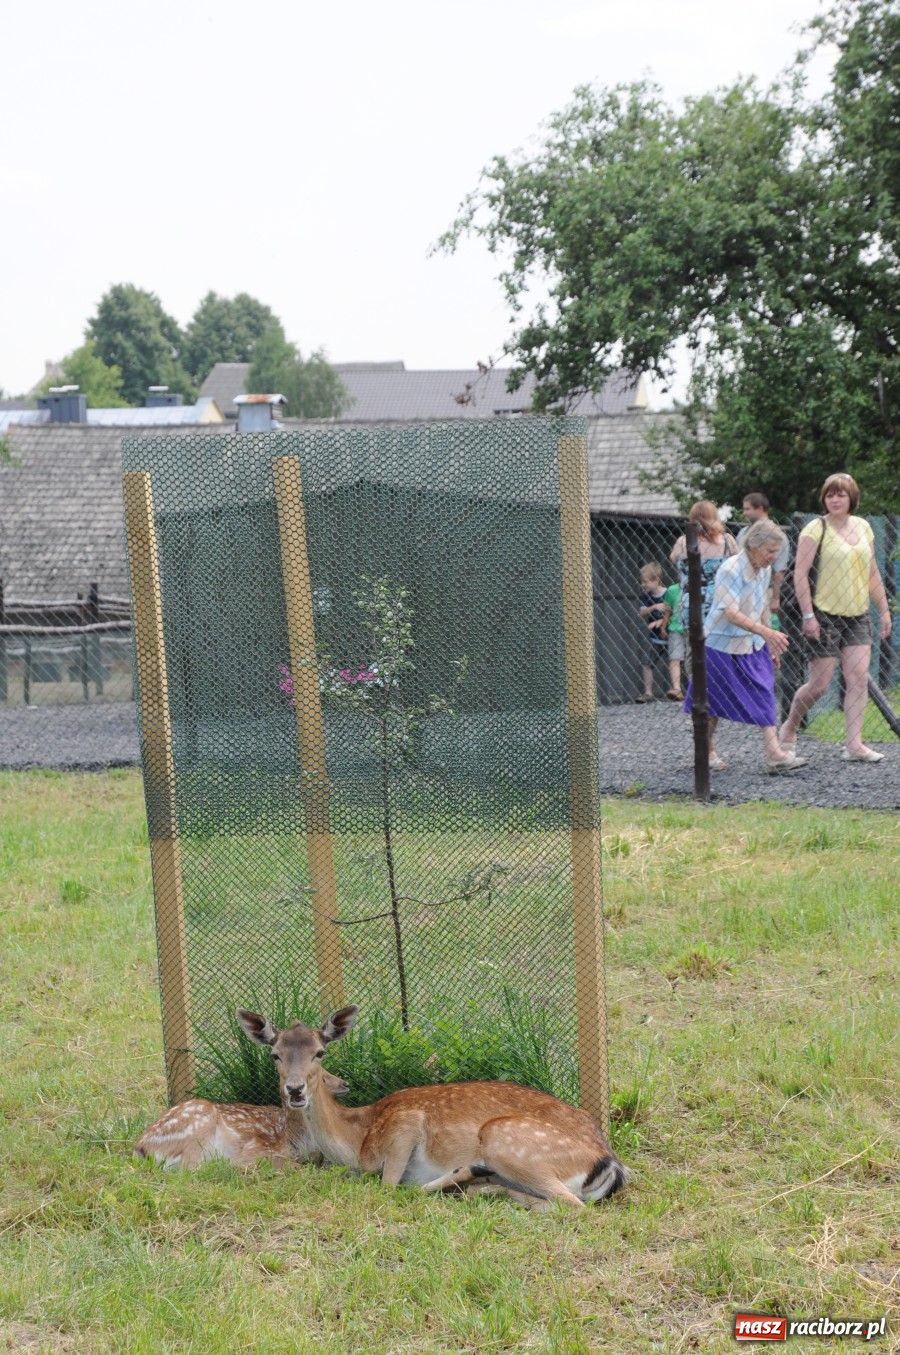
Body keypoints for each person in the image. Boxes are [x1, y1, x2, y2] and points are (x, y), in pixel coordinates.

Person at [779, 473, 892, 763]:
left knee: (857, 679)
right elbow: (800, 575)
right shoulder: (815, 529)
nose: (835, 499)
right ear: (824, 499)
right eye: (830, 494)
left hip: (858, 614)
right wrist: (808, 615)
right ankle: (790, 727)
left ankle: (854, 745)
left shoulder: (864, 527)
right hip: (823, 615)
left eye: (841, 494)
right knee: (820, 684)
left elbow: (871, 572)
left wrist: (884, 609)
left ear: (851, 497)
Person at [684, 520, 808, 773]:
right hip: (719, 645)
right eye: (770, 551)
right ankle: (706, 752)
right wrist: (766, 632)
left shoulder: (762, 571)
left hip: (752, 642)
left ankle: (774, 753)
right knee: (712, 703)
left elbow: (761, 605)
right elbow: (729, 612)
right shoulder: (731, 569)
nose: (774, 557)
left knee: (764, 690)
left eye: (777, 552)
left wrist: (768, 642)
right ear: (753, 546)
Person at [670, 500, 739, 629]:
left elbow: (673, 558)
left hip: (691, 603)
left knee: (694, 646)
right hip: (721, 602)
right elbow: (738, 564)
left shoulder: (683, 542)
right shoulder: (727, 541)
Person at [735, 492, 790, 614]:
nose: (744, 513)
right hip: (739, 586)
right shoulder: (743, 532)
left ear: (760, 508)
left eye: (747, 509)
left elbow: (779, 570)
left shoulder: (777, 535)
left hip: (764, 589)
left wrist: (775, 598)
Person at [636, 562, 669, 702]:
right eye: (642, 582)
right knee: (647, 663)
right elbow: (642, 613)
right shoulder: (646, 596)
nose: (643, 585)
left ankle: (677, 690)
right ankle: (648, 693)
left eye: (646, 582)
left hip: (670, 635)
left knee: (675, 663)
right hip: (654, 638)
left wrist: (661, 622)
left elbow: (673, 612)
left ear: (656, 579)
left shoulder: (668, 593)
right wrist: (654, 607)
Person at [662, 578, 685, 699]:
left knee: (694, 660)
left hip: (693, 629)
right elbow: (667, 611)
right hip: (676, 628)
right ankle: (677, 689)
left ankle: (694, 688)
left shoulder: (700, 588)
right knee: (674, 658)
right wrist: (663, 627)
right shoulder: (672, 590)